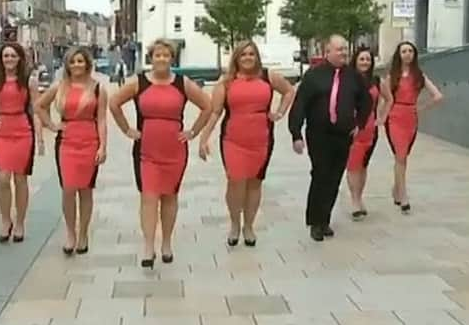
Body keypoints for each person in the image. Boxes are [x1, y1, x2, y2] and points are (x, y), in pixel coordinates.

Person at [109, 38, 212, 269]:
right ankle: (148, 245)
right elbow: (114, 103)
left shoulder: (182, 83)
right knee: (148, 196)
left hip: (174, 149)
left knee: (169, 196)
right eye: (158, 55)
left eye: (166, 55)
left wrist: (193, 131)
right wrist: (126, 129)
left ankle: (166, 242)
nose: (162, 59)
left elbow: (208, 105)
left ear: (172, 58)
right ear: (151, 58)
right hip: (147, 149)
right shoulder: (140, 82)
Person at [198, 40, 295, 247]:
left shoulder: (268, 77)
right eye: (243, 55)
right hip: (233, 140)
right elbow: (215, 112)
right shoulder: (226, 82)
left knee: (254, 183)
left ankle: (249, 226)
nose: (248, 58)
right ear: (236, 58)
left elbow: (289, 91)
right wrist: (204, 137)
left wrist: (279, 112)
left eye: (251, 54)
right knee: (235, 182)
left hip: (261, 139)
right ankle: (235, 223)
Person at [288, 35, 372, 242]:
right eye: (339, 49)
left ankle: (325, 219)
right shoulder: (314, 76)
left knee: (334, 178)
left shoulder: (353, 77)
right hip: (319, 134)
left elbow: (366, 101)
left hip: (343, 135)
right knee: (320, 175)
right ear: (327, 52)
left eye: (345, 49)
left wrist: (358, 124)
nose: (343, 53)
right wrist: (296, 134)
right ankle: (315, 221)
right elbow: (300, 105)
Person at [35, 49, 108, 256]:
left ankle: (83, 232)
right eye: (73, 62)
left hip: (89, 140)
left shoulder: (98, 88)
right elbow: (39, 106)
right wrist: (51, 125)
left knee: (85, 189)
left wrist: (103, 146)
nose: (77, 65)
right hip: (67, 141)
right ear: (67, 65)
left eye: (80, 61)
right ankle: (70, 232)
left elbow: (102, 119)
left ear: (87, 64)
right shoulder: (60, 86)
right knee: (68, 189)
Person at [0, 42, 43, 243]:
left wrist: (40, 138)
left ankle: (20, 222)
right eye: (5, 56)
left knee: (20, 179)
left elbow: (36, 109)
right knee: (3, 178)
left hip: (23, 131)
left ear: (20, 58)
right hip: (2, 132)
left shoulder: (29, 80)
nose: (9, 59)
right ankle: (5, 220)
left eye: (13, 56)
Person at [384, 41, 443, 213]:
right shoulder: (392, 76)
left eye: (410, 51)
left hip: (411, 118)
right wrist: (380, 117)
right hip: (394, 117)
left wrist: (421, 107)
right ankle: (403, 195)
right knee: (400, 155)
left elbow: (438, 96)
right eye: (404, 51)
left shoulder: (419, 76)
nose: (407, 54)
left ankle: (396, 189)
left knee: (402, 157)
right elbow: (385, 99)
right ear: (399, 54)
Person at [345, 47, 392, 221]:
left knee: (363, 166)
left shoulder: (377, 81)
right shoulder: (347, 79)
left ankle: (359, 196)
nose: (365, 62)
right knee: (352, 165)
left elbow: (389, 99)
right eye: (362, 59)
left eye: (368, 60)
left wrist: (382, 117)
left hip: (370, 128)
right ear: (355, 61)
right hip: (351, 127)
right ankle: (355, 201)